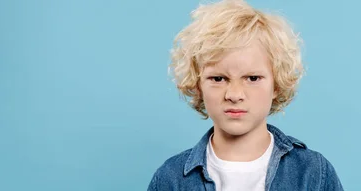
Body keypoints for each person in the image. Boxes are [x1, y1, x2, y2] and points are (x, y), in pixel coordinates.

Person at [147, 0, 344, 190]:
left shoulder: (313, 173)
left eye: (252, 78)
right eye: (218, 79)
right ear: (198, 85)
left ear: (276, 84)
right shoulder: (170, 179)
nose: (234, 94)